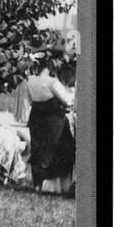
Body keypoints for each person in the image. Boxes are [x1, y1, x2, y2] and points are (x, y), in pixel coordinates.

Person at [26, 59, 75, 194]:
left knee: (38, 151)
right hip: (53, 120)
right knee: (60, 151)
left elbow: (30, 99)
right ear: (51, 66)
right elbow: (66, 100)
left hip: (36, 117)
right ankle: (64, 187)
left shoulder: (30, 80)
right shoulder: (52, 82)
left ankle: (37, 186)